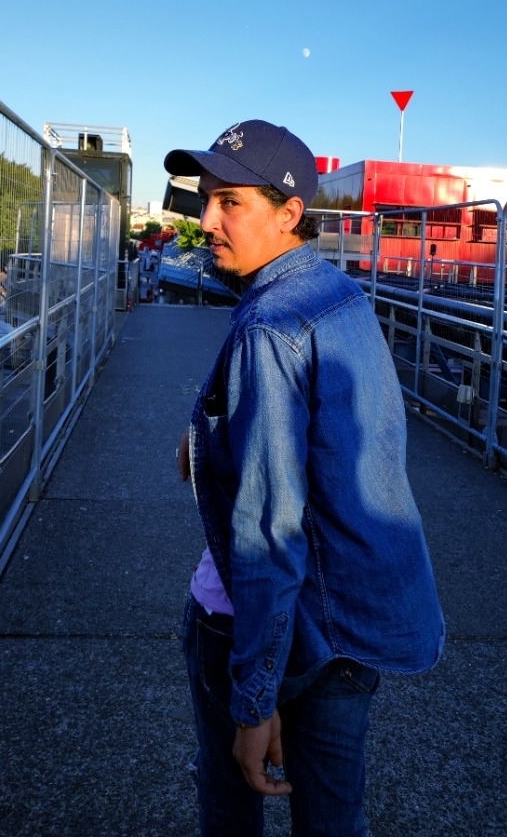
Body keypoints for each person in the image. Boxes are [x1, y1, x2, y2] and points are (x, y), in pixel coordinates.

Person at [166, 120, 444, 837]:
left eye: (231, 203)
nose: (207, 221)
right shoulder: (339, 295)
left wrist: (256, 698)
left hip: (258, 623)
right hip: (349, 623)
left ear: (289, 212)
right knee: (334, 818)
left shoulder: (268, 327)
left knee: (231, 804)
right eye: (207, 200)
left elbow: (269, 526)